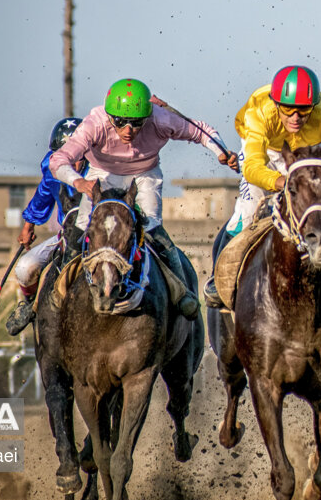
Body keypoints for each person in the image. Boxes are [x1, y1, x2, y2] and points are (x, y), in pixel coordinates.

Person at [49, 78, 237, 319]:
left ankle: (180, 291)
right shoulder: (94, 123)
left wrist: (220, 151)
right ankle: (61, 290)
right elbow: (58, 161)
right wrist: (78, 181)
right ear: (109, 116)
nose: (129, 131)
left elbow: (201, 131)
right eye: (121, 122)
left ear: (147, 118)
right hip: (102, 174)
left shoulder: (161, 118)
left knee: (152, 228)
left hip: (144, 175)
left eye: (137, 124)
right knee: (80, 229)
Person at [204, 65, 321, 308]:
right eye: (288, 109)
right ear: (276, 103)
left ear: (315, 107)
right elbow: (253, 167)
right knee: (246, 210)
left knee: (319, 208)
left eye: (304, 110)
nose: (295, 117)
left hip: (302, 153)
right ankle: (218, 279)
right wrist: (283, 183)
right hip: (263, 148)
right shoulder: (260, 113)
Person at [3, 117, 87, 336]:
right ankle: (29, 304)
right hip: (66, 238)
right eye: (66, 156)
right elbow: (42, 197)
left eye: (78, 156)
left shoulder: (101, 170)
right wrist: (28, 225)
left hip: (99, 238)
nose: (73, 162)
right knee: (24, 268)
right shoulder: (53, 170)